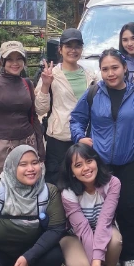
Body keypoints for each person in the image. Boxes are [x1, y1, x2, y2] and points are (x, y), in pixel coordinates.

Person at [70, 48, 134, 266]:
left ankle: (129, 256)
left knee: (129, 208)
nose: (110, 73)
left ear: (125, 68)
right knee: (101, 210)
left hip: (131, 160)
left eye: (115, 68)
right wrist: (80, 137)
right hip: (99, 162)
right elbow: (77, 119)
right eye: (105, 69)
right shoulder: (93, 93)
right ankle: (100, 254)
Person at [58, 143, 123, 266]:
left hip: (103, 229)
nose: (86, 168)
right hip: (75, 236)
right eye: (78, 165)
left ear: (96, 162)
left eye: (89, 161)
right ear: (72, 172)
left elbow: (104, 222)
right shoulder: (68, 193)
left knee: (115, 240)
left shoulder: (112, 183)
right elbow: (83, 229)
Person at [35, 29, 98, 184]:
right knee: (58, 182)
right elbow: (40, 109)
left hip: (85, 136)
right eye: (68, 46)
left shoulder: (91, 76)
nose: (73, 50)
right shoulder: (51, 74)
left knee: (84, 181)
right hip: (60, 137)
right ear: (60, 49)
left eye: (77, 46)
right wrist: (45, 85)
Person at [0, 41, 45, 175]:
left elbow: (33, 116)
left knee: (28, 182)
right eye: (10, 59)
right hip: (2, 146)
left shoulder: (27, 83)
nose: (15, 63)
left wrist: (40, 145)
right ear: (2, 61)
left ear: (24, 61)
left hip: (28, 143)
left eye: (19, 58)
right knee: (0, 183)